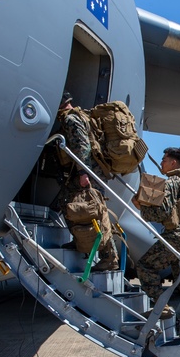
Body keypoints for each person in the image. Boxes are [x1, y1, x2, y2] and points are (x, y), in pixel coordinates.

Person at [132, 147, 180, 338]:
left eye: (164, 160)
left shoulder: (171, 183)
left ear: (173, 163)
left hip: (179, 234)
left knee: (145, 266)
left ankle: (161, 307)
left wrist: (141, 207)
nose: (162, 163)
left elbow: (163, 213)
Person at [55, 92, 119, 271]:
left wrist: (83, 172)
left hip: (89, 171)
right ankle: (89, 247)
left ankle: (109, 258)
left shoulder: (71, 119)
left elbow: (82, 146)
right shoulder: (81, 115)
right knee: (95, 211)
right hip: (94, 170)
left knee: (72, 204)